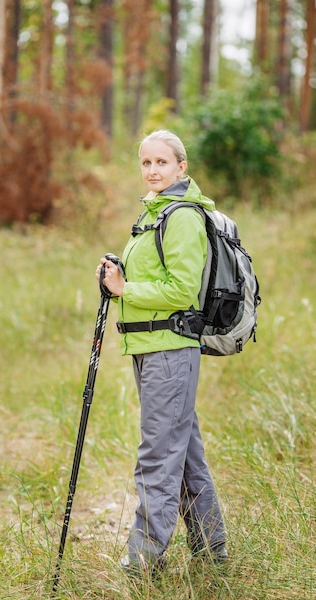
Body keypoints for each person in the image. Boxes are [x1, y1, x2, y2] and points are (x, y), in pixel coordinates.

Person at [96, 129, 227, 576]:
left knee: (157, 456)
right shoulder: (154, 215)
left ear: (181, 167)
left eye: (162, 163)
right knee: (184, 453)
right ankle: (213, 553)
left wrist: (125, 288)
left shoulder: (183, 217)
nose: (152, 170)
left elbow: (181, 289)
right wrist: (118, 275)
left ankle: (142, 562)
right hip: (152, 346)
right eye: (146, 163)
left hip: (170, 349)